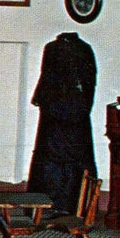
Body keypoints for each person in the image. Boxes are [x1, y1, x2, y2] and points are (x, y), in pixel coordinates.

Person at [27, 32, 97, 216]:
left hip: (64, 117)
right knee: (58, 159)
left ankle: (58, 206)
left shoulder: (59, 49)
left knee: (58, 158)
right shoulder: (78, 49)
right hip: (66, 118)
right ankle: (70, 207)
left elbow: (48, 80)